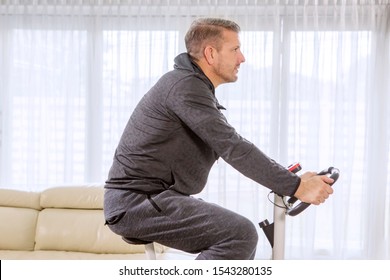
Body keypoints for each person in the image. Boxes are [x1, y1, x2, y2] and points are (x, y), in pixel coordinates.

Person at [103, 17, 334, 260]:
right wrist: (296, 187)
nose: (242, 58)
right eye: (235, 49)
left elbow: (232, 144)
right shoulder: (184, 86)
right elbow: (233, 147)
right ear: (211, 54)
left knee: (239, 233)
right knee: (239, 234)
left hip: (152, 199)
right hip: (136, 203)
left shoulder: (194, 88)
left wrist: (290, 180)